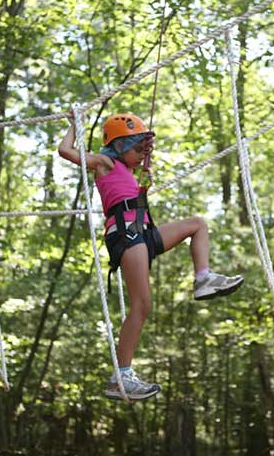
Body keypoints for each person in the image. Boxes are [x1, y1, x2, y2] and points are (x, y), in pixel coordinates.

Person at [58, 112, 244, 400]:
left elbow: (133, 198)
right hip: (127, 234)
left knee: (197, 224)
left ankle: (204, 278)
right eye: (136, 148)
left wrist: (143, 182)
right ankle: (121, 376)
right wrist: (74, 125)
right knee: (142, 305)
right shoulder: (106, 163)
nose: (141, 154)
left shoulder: (131, 174)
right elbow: (65, 152)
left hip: (143, 232)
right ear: (119, 146)